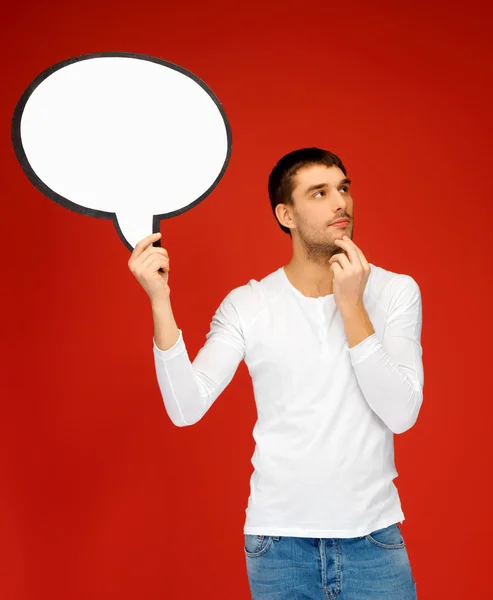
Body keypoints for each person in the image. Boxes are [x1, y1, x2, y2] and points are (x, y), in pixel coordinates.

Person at [128, 148, 423, 599]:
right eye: (319, 193)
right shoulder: (248, 305)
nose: (340, 202)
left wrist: (350, 306)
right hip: (278, 545)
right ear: (286, 214)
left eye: (343, 188)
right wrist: (159, 299)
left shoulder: (396, 291)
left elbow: (401, 413)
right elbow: (186, 407)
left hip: (373, 539)